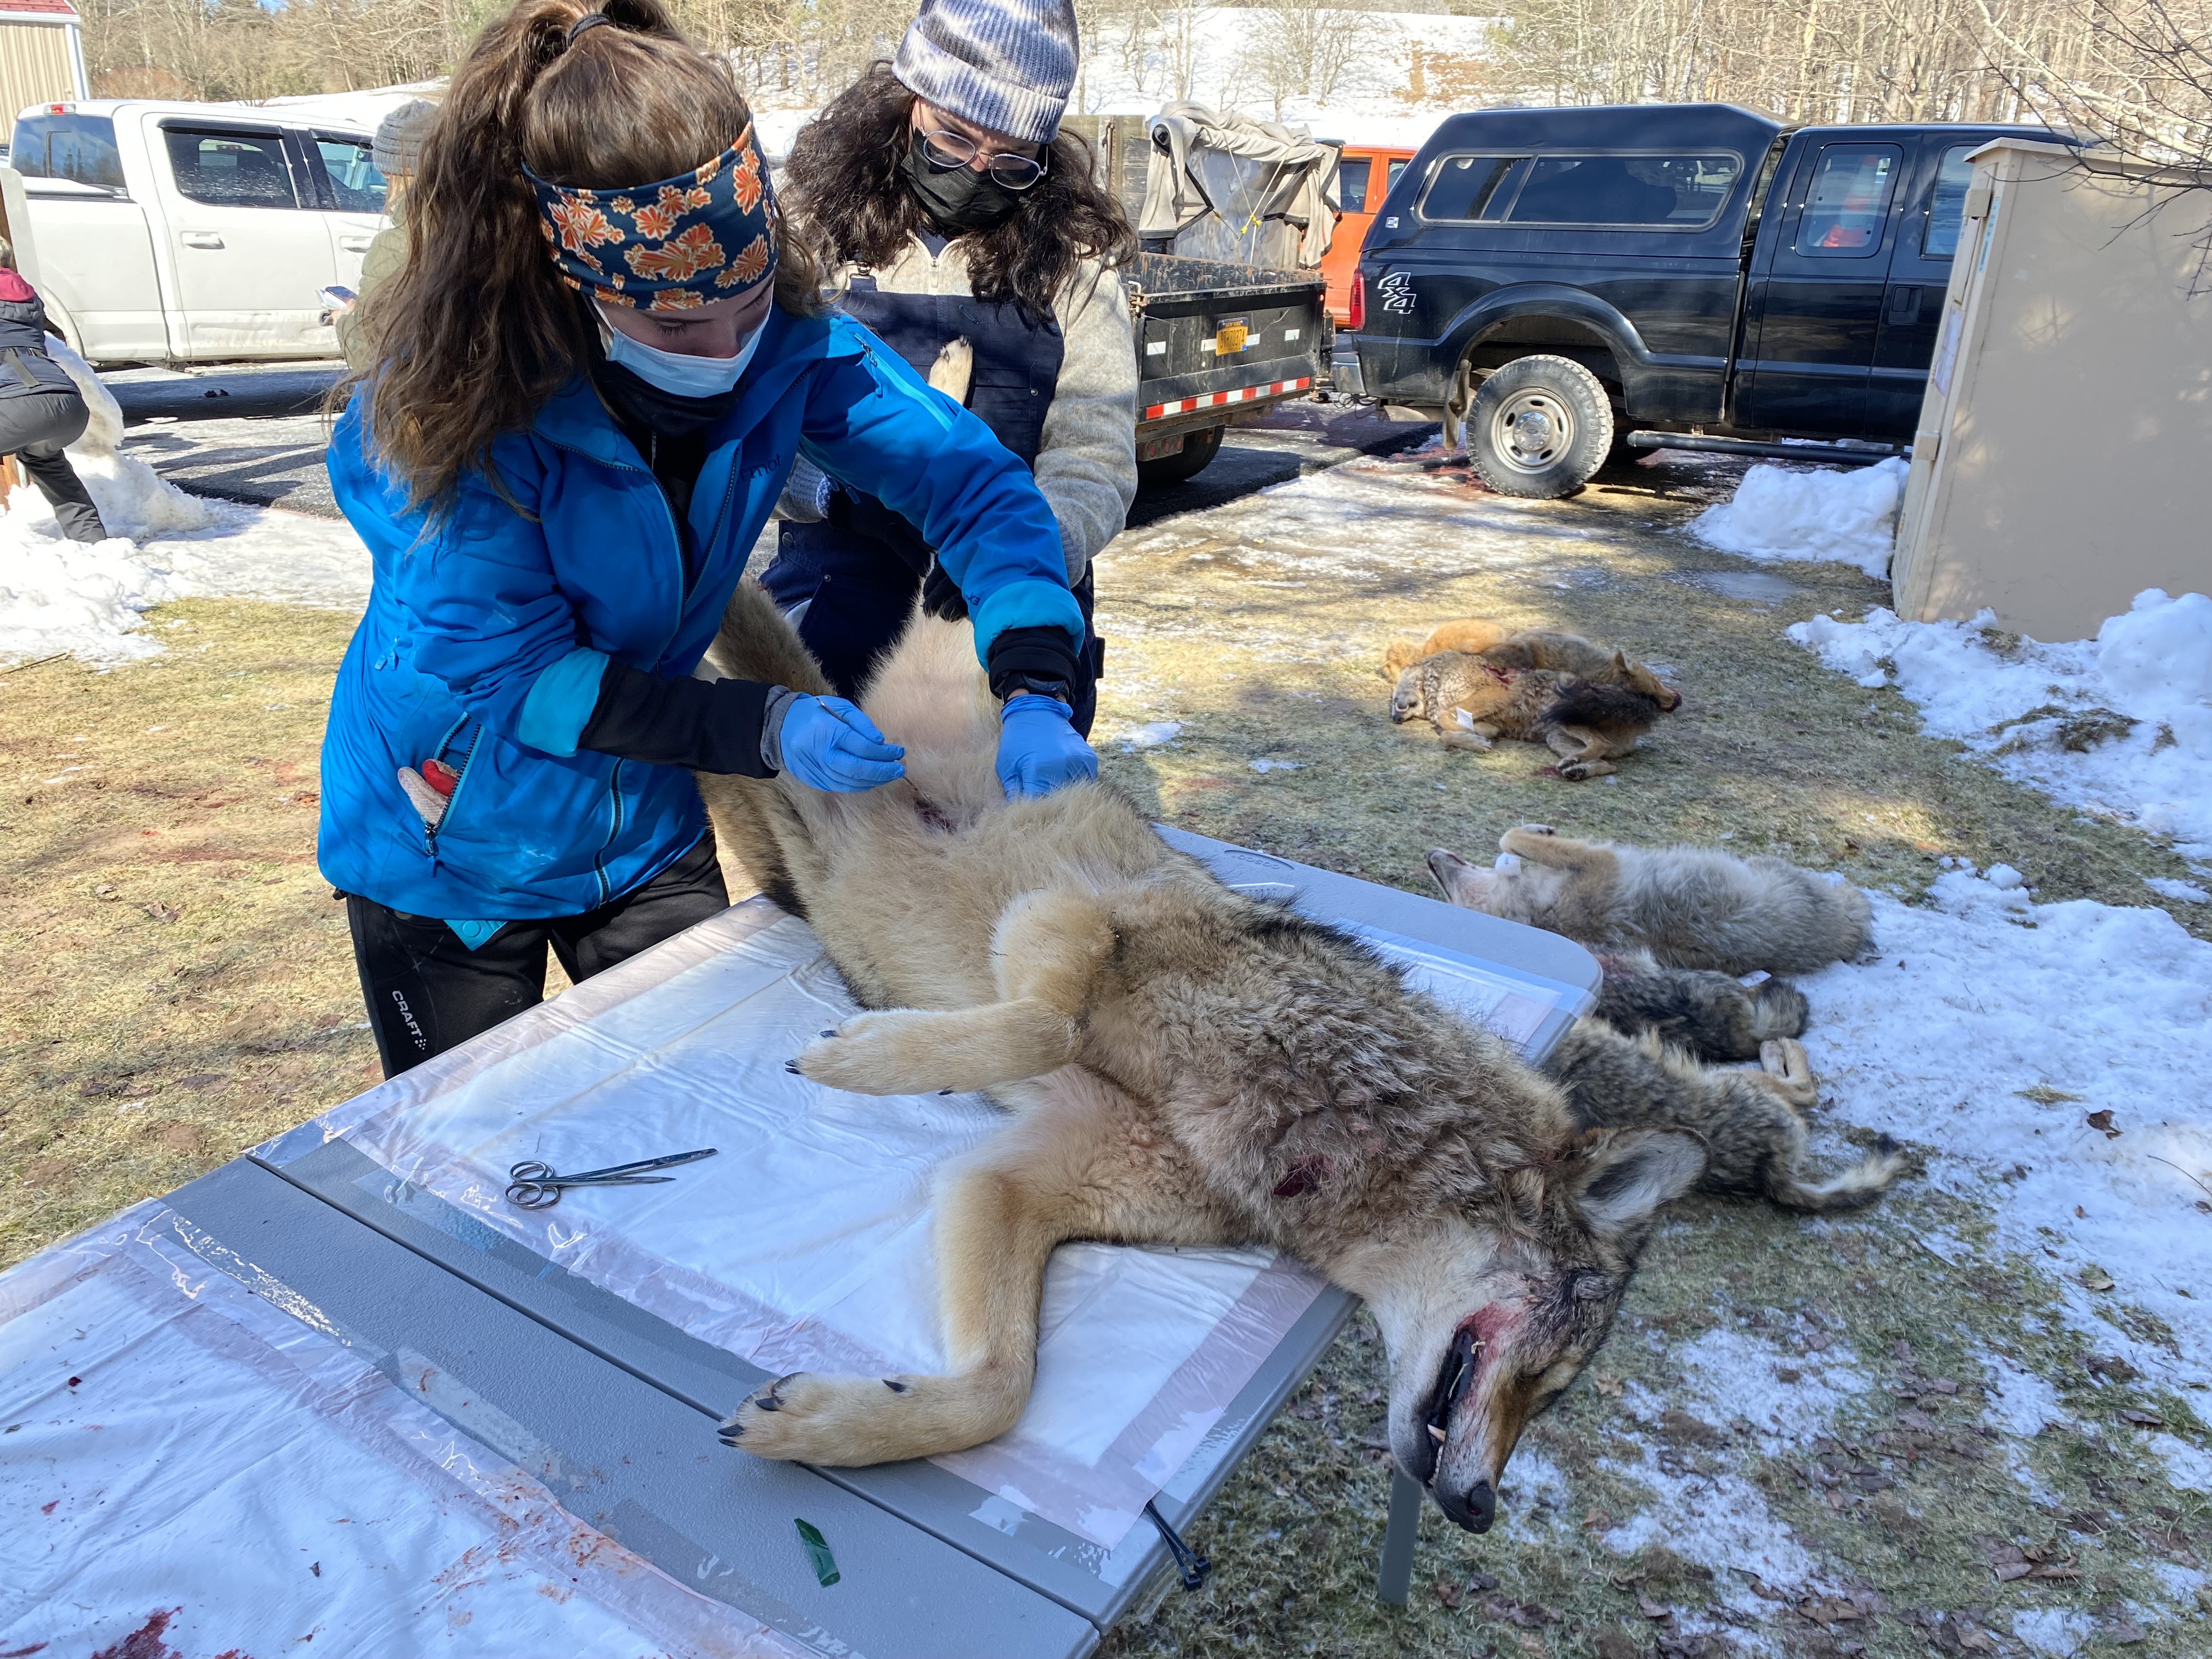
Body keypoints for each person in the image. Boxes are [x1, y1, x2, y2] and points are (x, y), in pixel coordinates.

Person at [321, 0, 1097, 1078]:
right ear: (577, 277)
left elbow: (973, 486)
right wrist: (768, 726)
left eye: (745, 304)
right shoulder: (457, 424)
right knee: (479, 1143)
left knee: (700, 1088)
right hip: (451, 841)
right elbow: (525, 684)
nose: (730, 351)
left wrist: (1037, 684)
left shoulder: (788, 345)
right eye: (682, 327)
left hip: (641, 817)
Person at [767, 0, 1137, 734]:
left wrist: (1030, 544)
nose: (975, 171)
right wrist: (830, 494)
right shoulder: (809, 226)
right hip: (840, 592)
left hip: (1004, 604)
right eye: (954, 139)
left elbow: (1094, 453)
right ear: (909, 103)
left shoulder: (1076, 255)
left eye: (1009, 160)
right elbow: (752, 418)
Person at [0, 239, 109, 543]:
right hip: (68, 405)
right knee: (48, 463)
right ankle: (95, 545)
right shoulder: (27, 299)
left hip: (18, 404)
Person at [335, 98, 438, 375]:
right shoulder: (508, 223)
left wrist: (344, 322)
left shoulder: (398, 244)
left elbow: (372, 356)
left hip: (436, 408)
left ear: (390, 173)